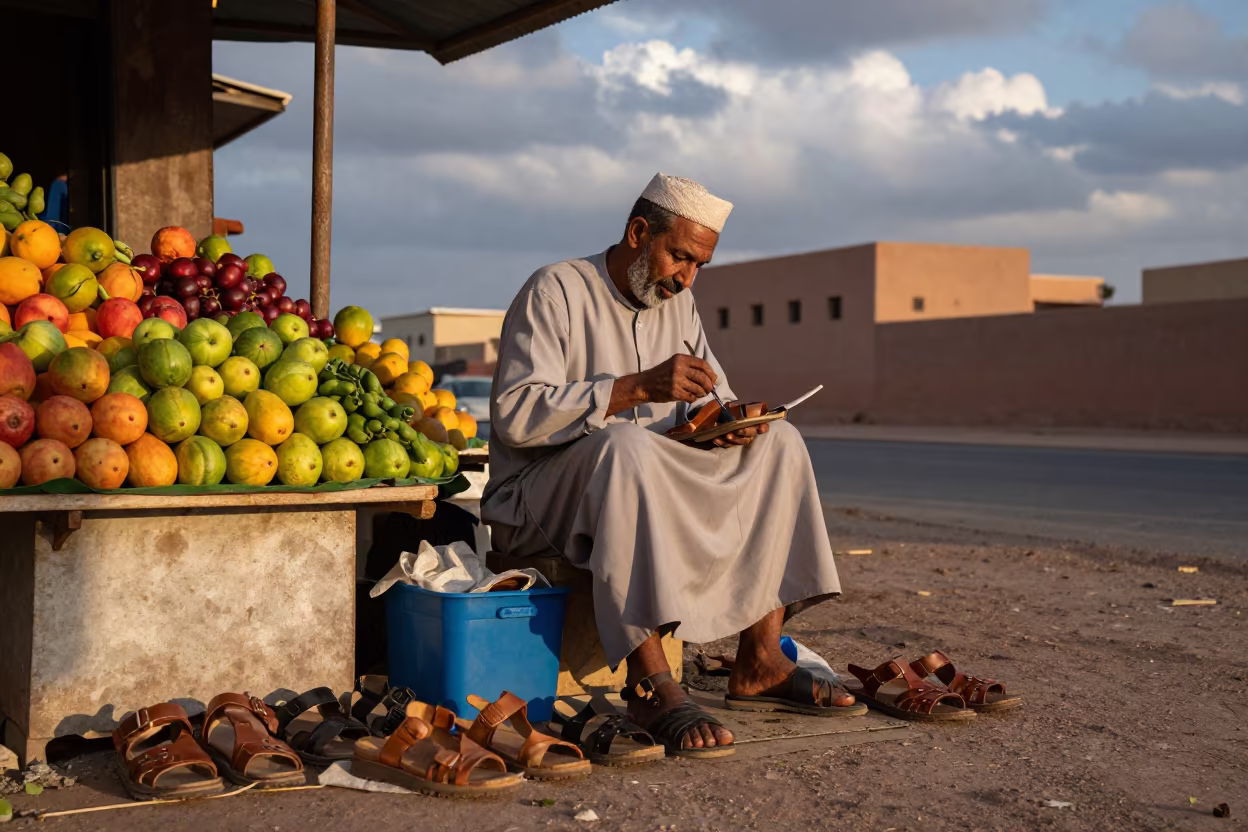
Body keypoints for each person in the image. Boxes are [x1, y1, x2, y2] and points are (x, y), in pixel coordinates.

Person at [483, 173, 857, 758]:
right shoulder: (555, 290)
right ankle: (651, 682)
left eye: (699, 266)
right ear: (639, 233)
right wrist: (634, 389)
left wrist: (733, 421)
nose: (686, 278)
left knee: (780, 443)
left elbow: (709, 406)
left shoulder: (678, 305)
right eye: (680, 257)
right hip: (537, 498)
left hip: (645, 477)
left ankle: (759, 659)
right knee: (627, 449)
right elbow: (515, 415)